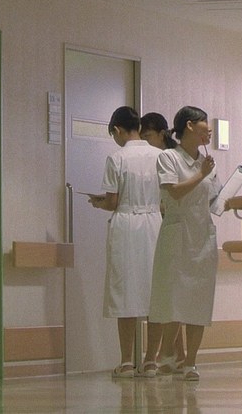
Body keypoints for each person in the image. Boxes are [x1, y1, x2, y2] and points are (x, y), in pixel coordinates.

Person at [143, 106, 219, 382]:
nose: (209, 131)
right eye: (205, 125)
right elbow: (174, 193)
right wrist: (201, 174)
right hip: (177, 235)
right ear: (189, 126)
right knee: (171, 296)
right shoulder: (169, 157)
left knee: (199, 298)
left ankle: (191, 362)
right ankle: (165, 356)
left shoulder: (206, 161)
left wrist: (229, 197)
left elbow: (213, 198)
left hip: (203, 236)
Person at [88, 106, 163, 378]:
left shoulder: (116, 157)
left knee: (125, 292)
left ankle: (127, 362)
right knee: (156, 293)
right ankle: (151, 361)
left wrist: (99, 203)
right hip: (155, 223)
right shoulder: (160, 156)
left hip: (127, 225)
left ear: (118, 130)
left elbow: (113, 201)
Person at [139, 112, 186, 370]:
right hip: (164, 227)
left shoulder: (170, 157)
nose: (145, 142)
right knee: (169, 294)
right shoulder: (163, 157)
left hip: (170, 229)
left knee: (166, 296)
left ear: (161, 133)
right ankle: (176, 355)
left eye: (148, 136)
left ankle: (159, 356)